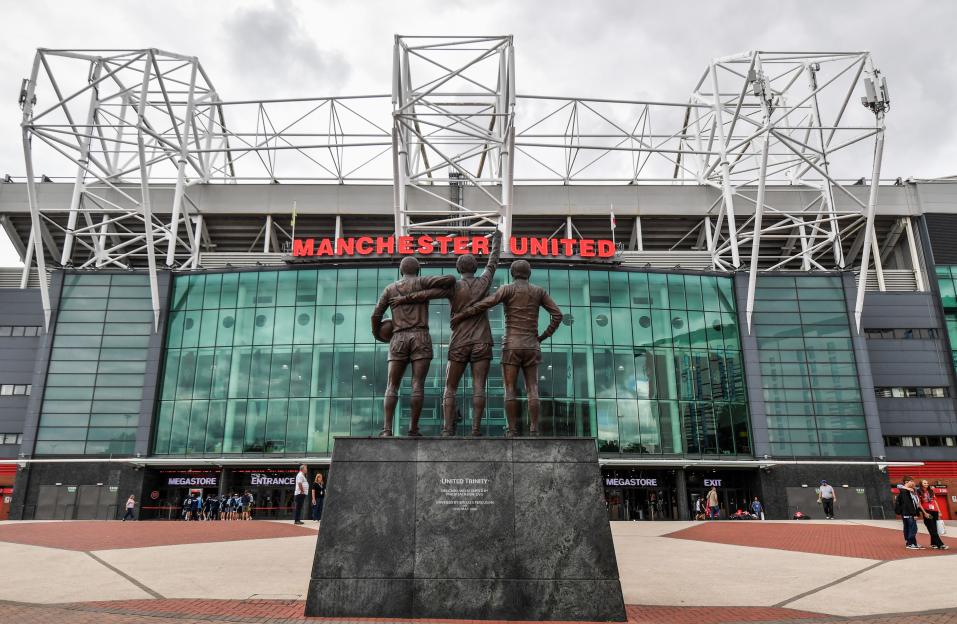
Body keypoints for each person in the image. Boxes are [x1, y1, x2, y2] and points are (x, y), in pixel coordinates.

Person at [391, 231, 502, 436]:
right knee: (479, 387)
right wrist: (497, 240)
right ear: (475, 268)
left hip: (459, 341)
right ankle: (476, 430)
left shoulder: (453, 287)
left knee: (450, 387)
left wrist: (405, 299)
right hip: (482, 341)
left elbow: (427, 294)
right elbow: (493, 262)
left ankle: (447, 429)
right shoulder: (484, 281)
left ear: (458, 269)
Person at [450, 260, 563, 436]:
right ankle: (534, 429)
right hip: (532, 345)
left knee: (510, 388)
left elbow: (486, 303)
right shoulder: (539, 291)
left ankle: (512, 430)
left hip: (511, 345)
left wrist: (462, 315)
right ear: (529, 273)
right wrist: (543, 336)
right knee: (532, 388)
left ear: (512, 273)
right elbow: (558, 315)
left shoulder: (506, 289)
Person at [371, 258, 456, 436]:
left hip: (398, 337)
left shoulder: (390, 289)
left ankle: (387, 429)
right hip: (420, 336)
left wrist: (378, 335)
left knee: (392, 385)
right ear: (417, 270)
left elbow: (375, 314)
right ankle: (413, 428)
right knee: (418, 384)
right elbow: (450, 279)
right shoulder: (421, 282)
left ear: (401, 271)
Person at [917, 480, 948, 550]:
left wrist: (939, 511)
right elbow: (919, 504)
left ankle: (933, 544)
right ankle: (940, 544)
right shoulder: (919, 492)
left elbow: (935, 501)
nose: (926, 484)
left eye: (927, 483)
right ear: (921, 484)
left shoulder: (931, 491)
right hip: (927, 512)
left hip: (935, 511)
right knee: (932, 528)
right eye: (924, 483)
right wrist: (925, 513)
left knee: (934, 528)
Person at [895, 476, 925, 550]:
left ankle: (913, 543)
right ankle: (910, 543)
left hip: (909, 513)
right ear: (906, 482)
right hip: (908, 513)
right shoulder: (904, 491)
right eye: (911, 481)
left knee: (911, 527)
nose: (913, 483)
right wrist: (913, 514)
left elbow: (914, 502)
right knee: (912, 528)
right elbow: (908, 504)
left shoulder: (909, 491)